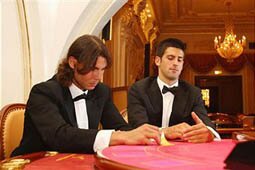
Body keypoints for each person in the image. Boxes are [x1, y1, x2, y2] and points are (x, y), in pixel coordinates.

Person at [12, 35, 160, 157]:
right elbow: (59, 136)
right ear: (73, 63)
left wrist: (157, 133)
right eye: (93, 69)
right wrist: (119, 137)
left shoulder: (101, 91)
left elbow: (120, 127)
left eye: (102, 70)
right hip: (36, 163)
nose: (98, 77)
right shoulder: (43, 92)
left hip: (77, 163)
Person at [127, 38, 220, 143]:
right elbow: (139, 128)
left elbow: (206, 124)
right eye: (170, 58)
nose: (176, 63)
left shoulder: (193, 93)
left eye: (179, 60)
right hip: (145, 151)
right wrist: (165, 132)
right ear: (157, 61)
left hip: (181, 153)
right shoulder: (139, 89)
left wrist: (209, 133)